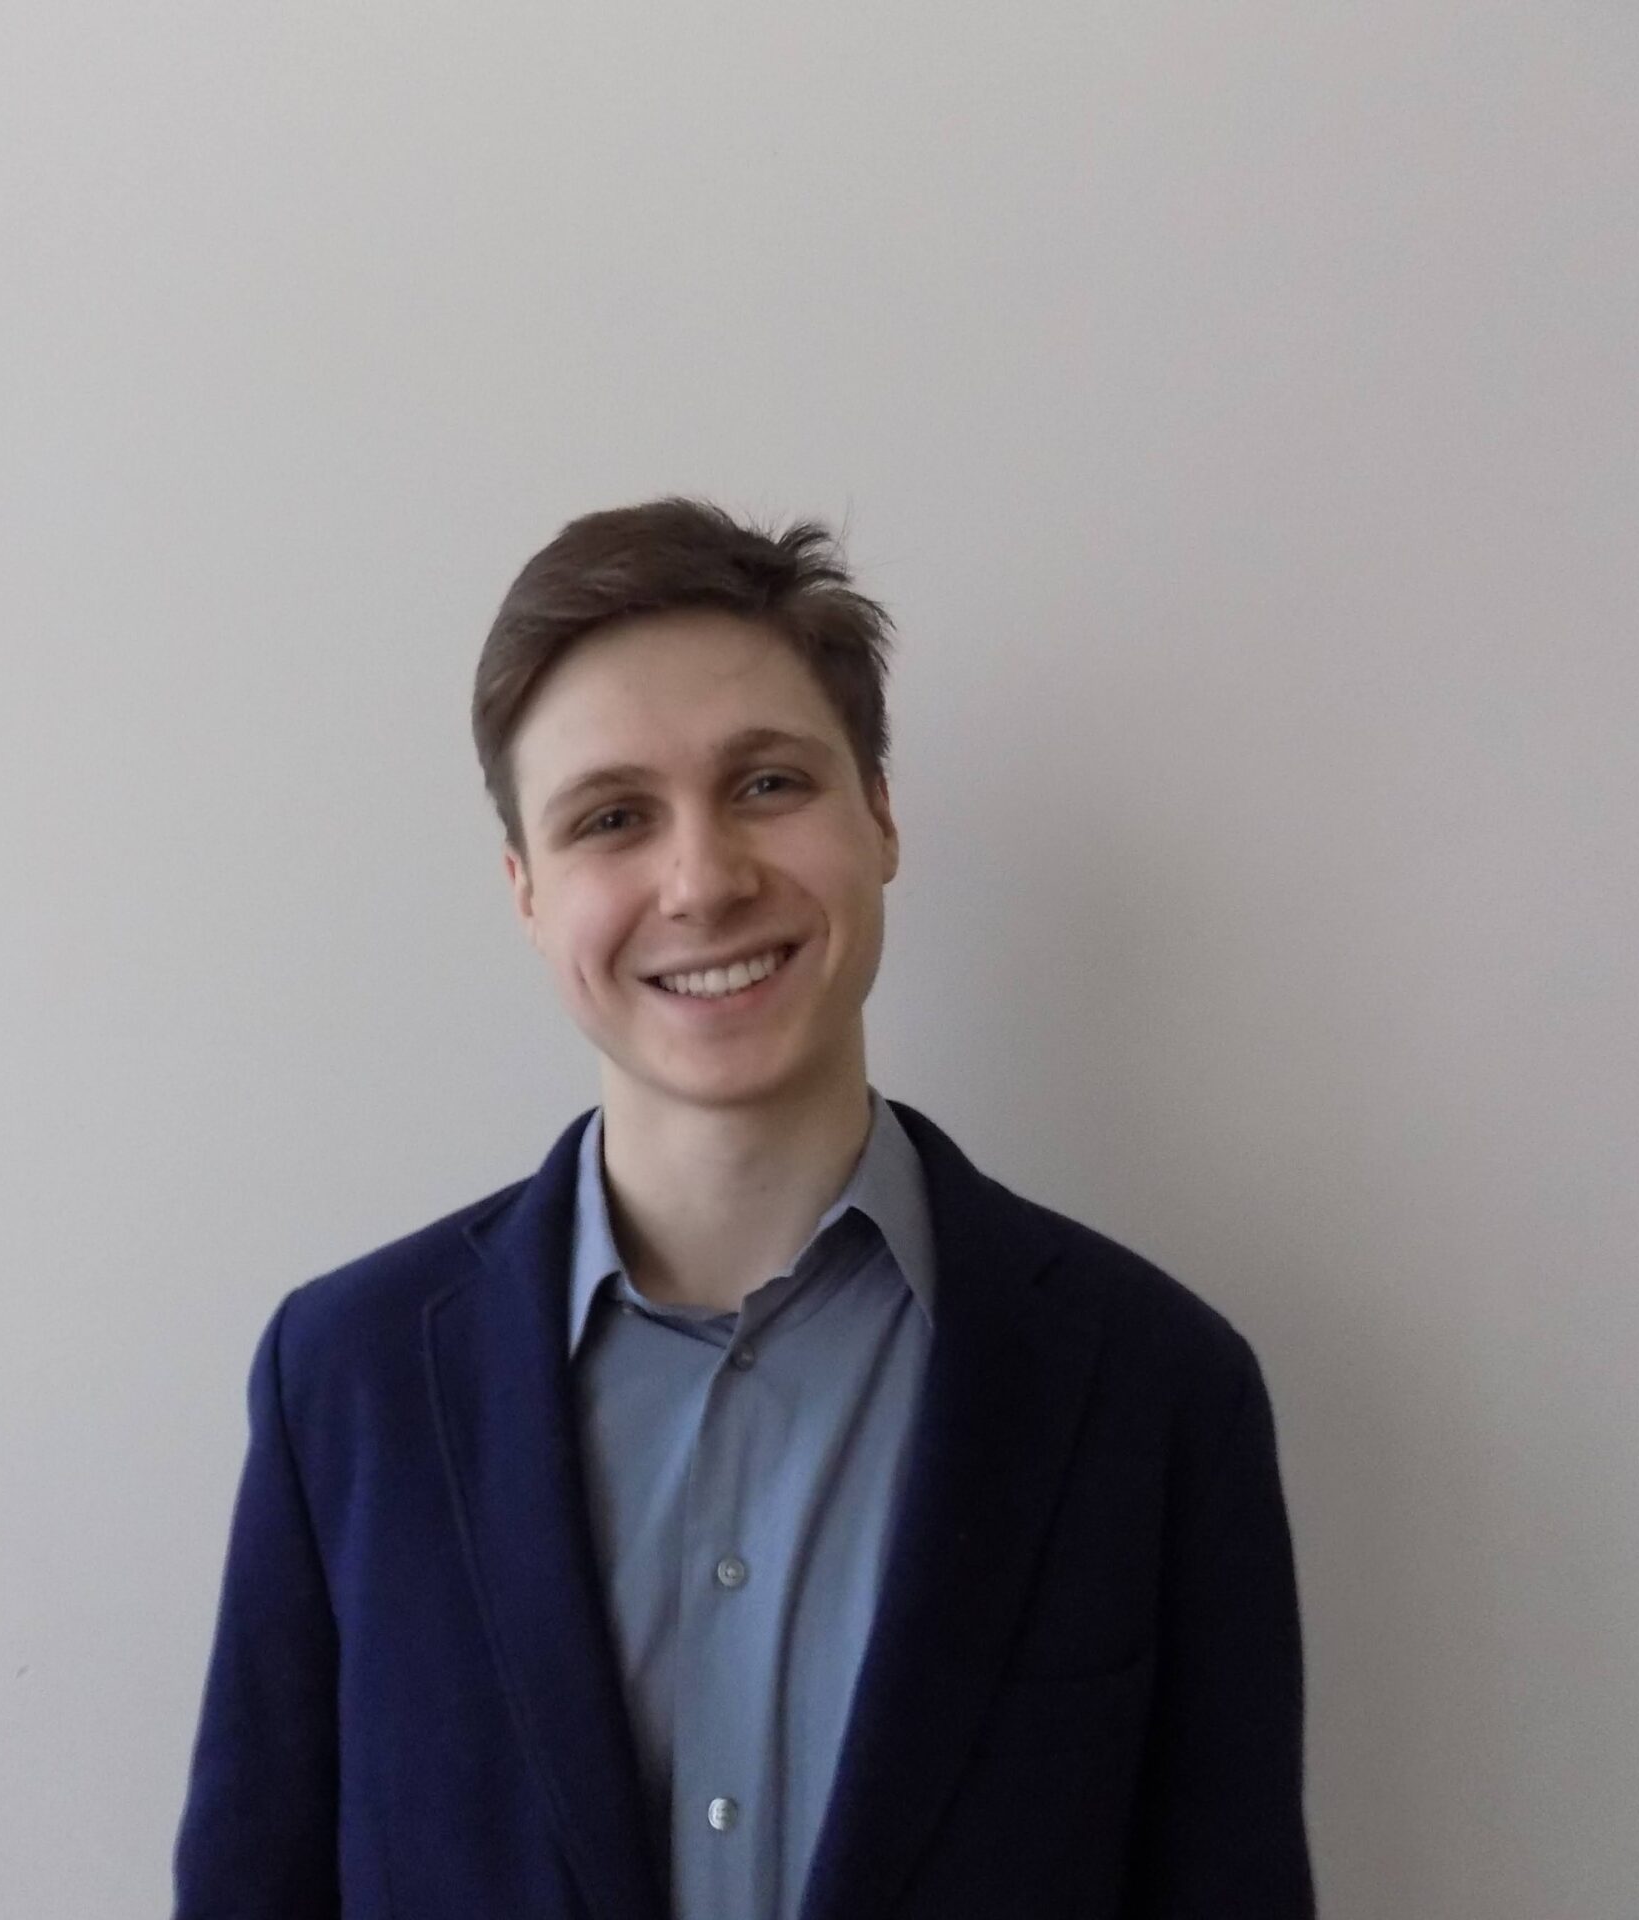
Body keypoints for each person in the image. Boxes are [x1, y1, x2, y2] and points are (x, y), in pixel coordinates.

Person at [170, 499, 1314, 1920]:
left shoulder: (1158, 1389)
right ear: (526, 891)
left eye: (768, 784)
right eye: (611, 818)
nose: (704, 881)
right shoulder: (346, 1384)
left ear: (881, 815)